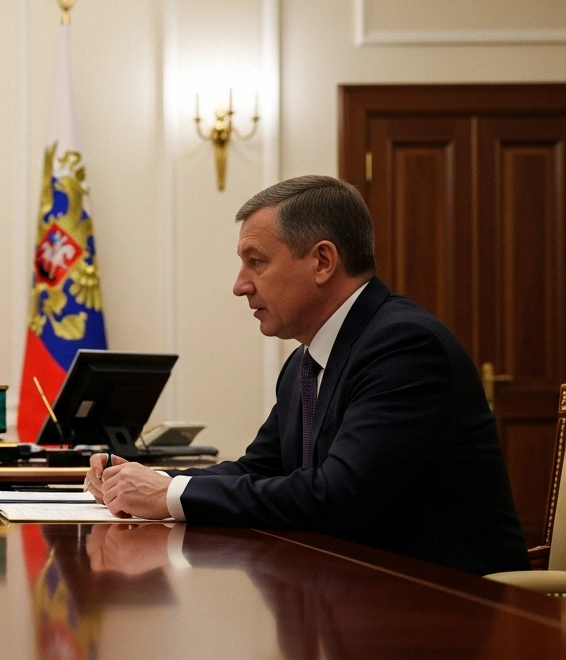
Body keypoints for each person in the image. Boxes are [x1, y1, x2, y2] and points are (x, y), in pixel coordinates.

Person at [85, 175, 529, 575]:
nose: (240, 285)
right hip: (352, 593)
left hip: (446, 607)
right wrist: (147, 482)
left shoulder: (405, 348)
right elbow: (259, 469)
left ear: (322, 261)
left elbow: (338, 497)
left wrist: (169, 496)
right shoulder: (306, 360)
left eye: (256, 262)